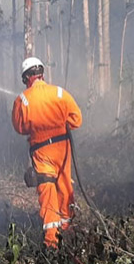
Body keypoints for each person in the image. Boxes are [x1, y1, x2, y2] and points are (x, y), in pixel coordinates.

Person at [12, 57, 82, 247]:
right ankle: (70, 235)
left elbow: (19, 127)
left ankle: (52, 245)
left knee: (48, 193)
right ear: (42, 74)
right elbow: (77, 120)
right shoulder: (60, 93)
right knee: (65, 187)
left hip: (42, 152)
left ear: (27, 77)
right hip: (62, 149)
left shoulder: (22, 99)